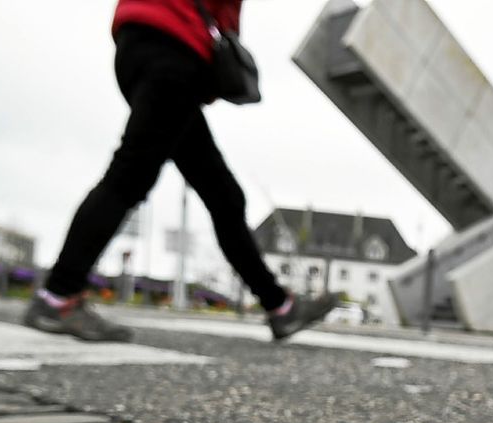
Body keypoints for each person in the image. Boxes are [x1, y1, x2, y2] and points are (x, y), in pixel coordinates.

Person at [24, 0, 336, 342]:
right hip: (172, 50)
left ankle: (280, 306)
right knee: (129, 178)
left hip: (144, 44)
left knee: (223, 194)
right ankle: (57, 296)